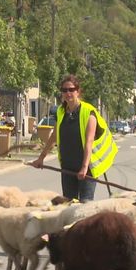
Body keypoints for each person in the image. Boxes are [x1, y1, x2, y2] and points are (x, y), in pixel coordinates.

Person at [31, 74, 117, 202]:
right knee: (68, 204)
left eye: (71, 89)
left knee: (85, 205)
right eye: (64, 90)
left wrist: (84, 167)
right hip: (67, 167)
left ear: (78, 91)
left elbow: (88, 142)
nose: (68, 93)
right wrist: (41, 158)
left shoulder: (89, 112)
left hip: (87, 169)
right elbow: (54, 136)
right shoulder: (61, 112)